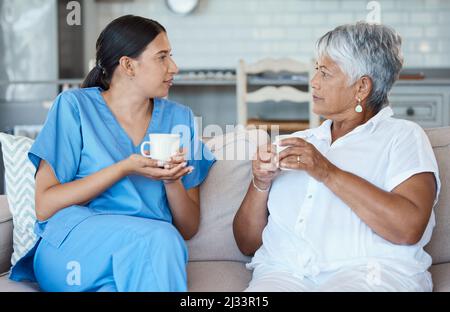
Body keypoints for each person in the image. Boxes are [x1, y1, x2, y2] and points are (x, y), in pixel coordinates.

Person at [9, 15, 215, 292]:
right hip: (75, 246)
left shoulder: (181, 119)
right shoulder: (74, 107)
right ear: (128, 65)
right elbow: (45, 205)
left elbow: (189, 227)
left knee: (157, 248)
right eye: (162, 57)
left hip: (140, 253)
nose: (174, 67)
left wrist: (171, 180)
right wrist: (123, 168)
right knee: (161, 240)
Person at [233, 22, 440, 292]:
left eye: (325, 73)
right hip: (283, 274)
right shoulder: (295, 144)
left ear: (361, 88)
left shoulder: (403, 137)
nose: (313, 81)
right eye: (316, 69)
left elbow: (408, 228)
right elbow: (247, 244)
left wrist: (327, 171)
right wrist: (259, 182)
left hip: (370, 273)